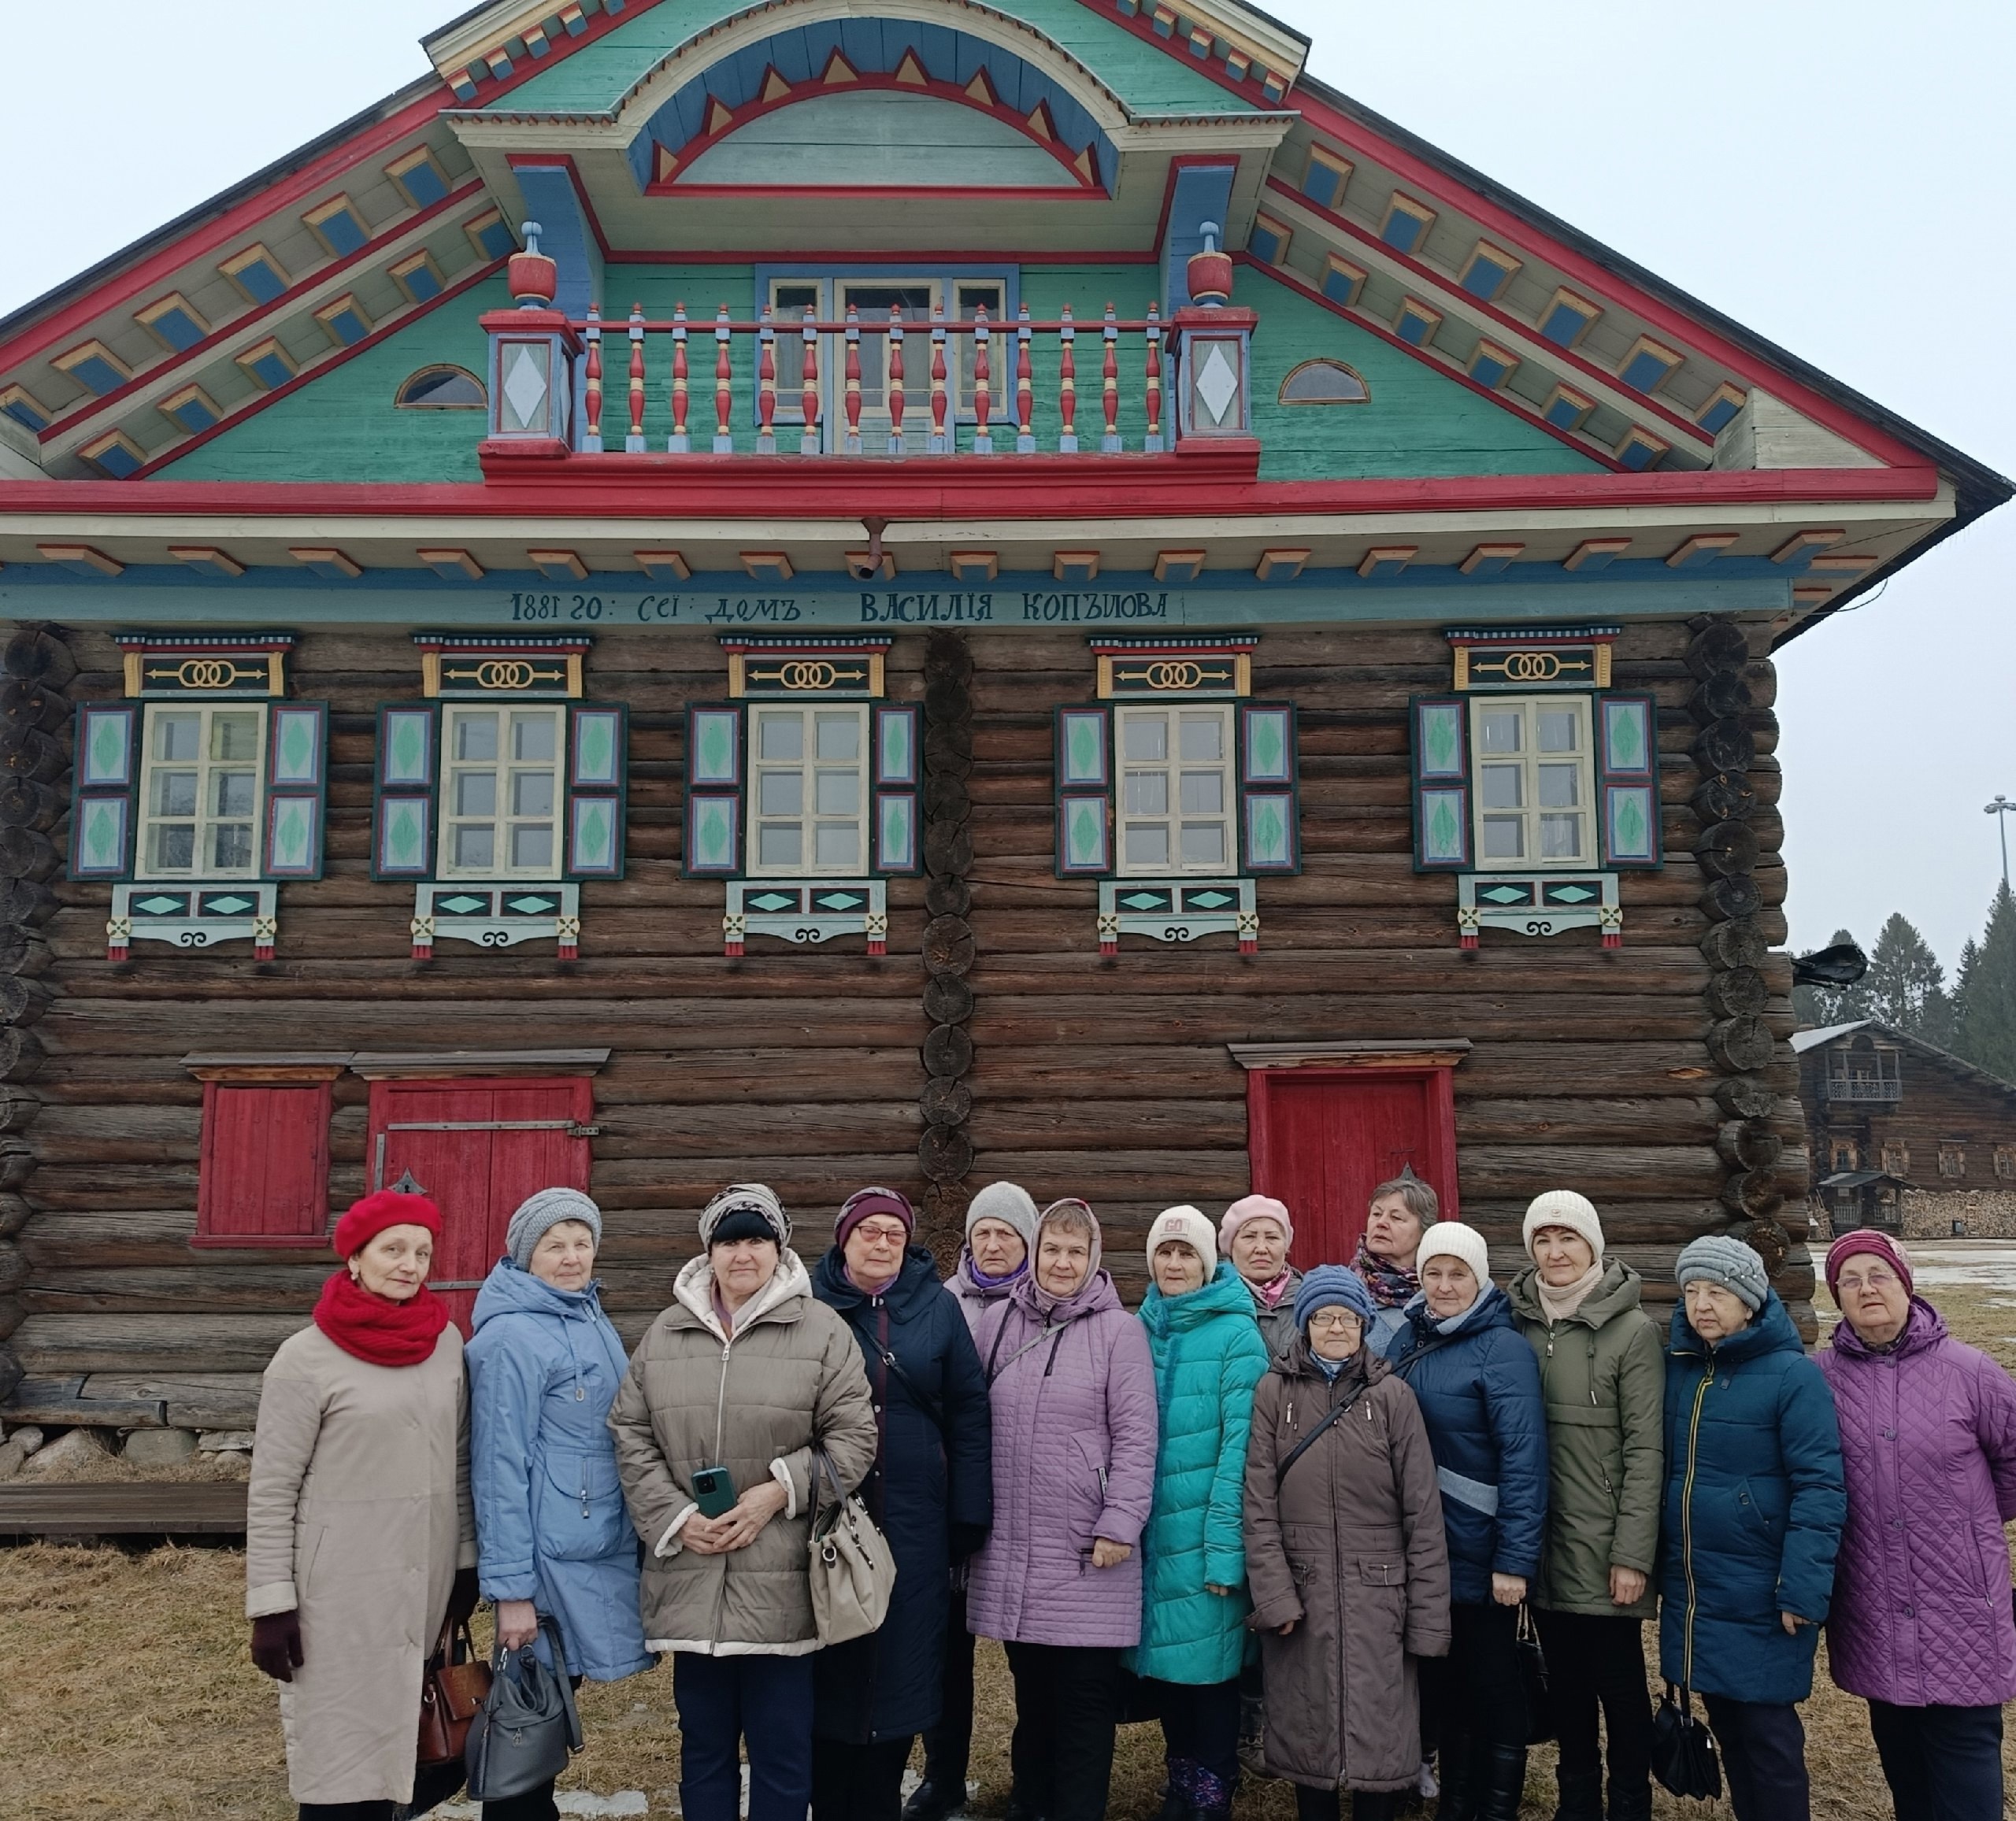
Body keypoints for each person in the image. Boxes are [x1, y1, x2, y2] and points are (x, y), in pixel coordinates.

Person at [608, 1184, 879, 1821]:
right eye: (730, 1241)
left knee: (781, 1752)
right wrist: (677, 1518)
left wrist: (778, 1490)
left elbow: (854, 1437)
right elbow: (630, 1431)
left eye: (757, 1239)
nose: (743, 1254)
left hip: (782, 1583)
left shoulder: (821, 1330)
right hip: (693, 1578)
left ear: (779, 1248)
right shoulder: (667, 1332)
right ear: (710, 1250)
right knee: (703, 1750)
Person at [245, 1188, 478, 1821]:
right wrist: (271, 1603)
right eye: (393, 1249)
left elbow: (458, 1459)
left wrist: (464, 1562)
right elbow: (272, 1488)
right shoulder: (304, 1358)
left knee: (409, 1754)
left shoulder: (445, 1342)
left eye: (422, 1252)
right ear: (354, 1257)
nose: (410, 1264)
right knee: (339, 1765)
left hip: (422, 1584)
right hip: (336, 1594)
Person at [966, 1197, 1159, 1821]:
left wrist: (1120, 1521)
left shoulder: (1119, 1332)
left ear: (1093, 1258)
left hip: (1086, 1546)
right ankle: (1031, 1801)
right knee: (1032, 1690)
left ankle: (1075, 1808)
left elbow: (1137, 1436)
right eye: (1052, 1248)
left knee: (1083, 1700)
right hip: (1014, 1543)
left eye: (1076, 1251)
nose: (1062, 1262)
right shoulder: (999, 1323)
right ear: (1034, 1253)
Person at [1819, 1229, 2016, 1821]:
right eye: (1850, 1280)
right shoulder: (1821, 1378)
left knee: (1966, 1769)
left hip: (1961, 1599)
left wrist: (1967, 1524)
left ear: (1906, 1284)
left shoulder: (1970, 1372)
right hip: (1873, 1600)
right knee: (1904, 1765)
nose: (1866, 1289)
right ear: (1836, 1295)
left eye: (1879, 1275)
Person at [466, 1188, 650, 1821]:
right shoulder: (511, 1337)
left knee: (547, 1717)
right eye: (555, 1245)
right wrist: (512, 1592)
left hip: (587, 1546)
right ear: (526, 1254)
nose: (572, 1257)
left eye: (582, 1242)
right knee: (525, 1723)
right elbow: (499, 1468)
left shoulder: (585, 1315)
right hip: (544, 1563)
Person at [811, 1187, 994, 1821]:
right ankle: (830, 1799)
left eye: (894, 1232)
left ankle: (880, 1798)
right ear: (845, 1239)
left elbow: (968, 1408)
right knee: (833, 1651)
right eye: (870, 1231)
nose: (882, 1242)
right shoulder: (811, 1303)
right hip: (831, 1518)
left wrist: (968, 1510)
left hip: (916, 1519)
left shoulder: (937, 1306)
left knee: (903, 1658)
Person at [1243, 1266, 1449, 1821]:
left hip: (1380, 1598)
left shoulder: (1392, 1396)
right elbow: (1258, 1503)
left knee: (1379, 1731)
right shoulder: (1274, 1392)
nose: (1336, 1327)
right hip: (1302, 1595)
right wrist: (1275, 1595)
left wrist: (1428, 1617)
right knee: (1308, 1728)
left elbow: (1423, 1514)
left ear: (1363, 1324)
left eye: (1348, 1317)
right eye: (1323, 1317)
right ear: (1305, 1323)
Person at [1658, 1234, 1844, 1821]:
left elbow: (1820, 1486)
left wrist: (1802, 1588)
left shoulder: (1793, 1377)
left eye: (1717, 1292)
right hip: (1699, 1586)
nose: (1701, 1305)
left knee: (1768, 1737)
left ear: (1750, 1300)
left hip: (1763, 1587)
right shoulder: (1684, 1372)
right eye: (1691, 1291)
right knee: (1730, 1728)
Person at [1505, 1190, 1662, 1821]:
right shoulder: (1517, 1323)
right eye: (1542, 1239)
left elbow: (1646, 1450)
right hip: (1542, 1540)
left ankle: (1629, 1802)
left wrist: (1632, 1554)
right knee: (1566, 1684)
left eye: (1567, 1237)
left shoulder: (1632, 1330)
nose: (1555, 1251)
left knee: (1619, 1686)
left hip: (1604, 1546)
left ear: (1593, 1244)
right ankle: (1577, 1803)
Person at [1385, 1221, 1547, 1821]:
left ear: (1480, 1279)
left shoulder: (1502, 1349)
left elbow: (1524, 1459)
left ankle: (1495, 1807)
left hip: (1480, 1547)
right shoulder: (1407, 1338)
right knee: (1445, 1680)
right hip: (1424, 1548)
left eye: (1458, 1273)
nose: (1445, 1285)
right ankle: (1456, 1802)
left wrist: (1514, 1560)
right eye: (1434, 1272)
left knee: (1493, 1683)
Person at [1128, 1206, 1270, 1821]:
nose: (1175, 1263)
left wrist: (1225, 1550)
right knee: (1168, 1667)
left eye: (1187, 1252)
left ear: (1209, 1261)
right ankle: (1181, 1780)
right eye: (1165, 1251)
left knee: (1210, 1670)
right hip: (1152, 1536)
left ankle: (1213, 1788)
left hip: (1208, 1535)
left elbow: (1244, 1451)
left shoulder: (1238, 1335)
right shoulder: (1139, 1328)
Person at [909, 1181, 1042, 1821]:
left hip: (1024, 1503)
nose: (992, 1244)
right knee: (945, 1653)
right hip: (950, 1502)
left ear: (1028, 1242)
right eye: (983, 1232)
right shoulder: (941, 1303)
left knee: (1031, 1655)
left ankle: (1032, 1781)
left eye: (1006, 1233)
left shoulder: (1044, 1304)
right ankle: (943, 1777)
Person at [1354, 1172, 1440, 1355]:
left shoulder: (1440, 1295)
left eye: (1396, 1218)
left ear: (1424, 1232)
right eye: (1376, 1214)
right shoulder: (1344, 1290)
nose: (1381, 1223)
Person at [1220, 1194, 1302, 1359]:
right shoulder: (1213, 1302)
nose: (1261, 1249)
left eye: (1272, 1237)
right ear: (1231, 1246)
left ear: (1285, 1247)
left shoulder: (1310, 1301)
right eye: (1249, 1237)